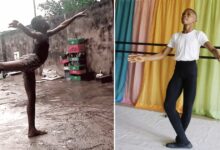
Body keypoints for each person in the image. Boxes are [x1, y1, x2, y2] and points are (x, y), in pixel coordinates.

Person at [128, 8, 220, 148]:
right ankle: (184, 141)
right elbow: (162, 54)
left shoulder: (198, 34)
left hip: (191, 71)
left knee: (187, 108)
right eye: (183, 13)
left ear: (195, 20)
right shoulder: (176, 36)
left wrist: (218, 55)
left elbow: (211, 48)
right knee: (168, 105)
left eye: (189, 14)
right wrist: (144, 58)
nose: (185, 15)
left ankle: (181, 140)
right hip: (178, 70)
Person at [0, 10, 87, 137]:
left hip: (31, 64)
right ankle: (32, 129)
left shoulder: (47, 33)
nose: (46, 20)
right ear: (40, 25)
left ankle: (32, 130)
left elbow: (63, 25)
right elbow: (31, 33)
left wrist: (75, 16)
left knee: (32, 98)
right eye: (43, 20)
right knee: (2, 66)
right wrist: (20, 25)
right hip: (31, 61)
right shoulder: (40, 35)